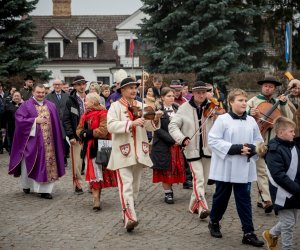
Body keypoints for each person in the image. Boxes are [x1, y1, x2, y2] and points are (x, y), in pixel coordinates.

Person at [207, 88, 264, 247]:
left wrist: (253, 149)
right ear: (231, 102)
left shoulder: (251, 121)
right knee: (221, 198)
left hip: (244, 168)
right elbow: (213, 140)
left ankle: (248, 232)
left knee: (244, 200)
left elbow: (259, 141)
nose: (244, 103)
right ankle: (214, 222)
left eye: (245, 100)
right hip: (226, 167)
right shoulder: (223, 119)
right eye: (240, 100)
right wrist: (236, 148)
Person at [107, 77, 162, 232]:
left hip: (139, 151)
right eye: (129, 88)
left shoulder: (142, 106)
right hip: (122, 151)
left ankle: (128, 211)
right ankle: (130, 217)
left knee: (135, 187)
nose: (133, 90)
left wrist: (156, 119)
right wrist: (130, 123)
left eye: (135, 87)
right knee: (126, 186)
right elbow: (110, 126)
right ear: (122, 90)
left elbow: (150, 127)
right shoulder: (115, 107)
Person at [8, 84, 65, 199]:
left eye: (43, 92)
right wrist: (34, 121)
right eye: (38, 92)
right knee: (29, 164)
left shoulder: (51, 106)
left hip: (49, 143)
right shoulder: (26, 105)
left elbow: (56, 124)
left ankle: (44, 190)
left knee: (47, 164)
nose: (41, 95)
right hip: (32, 142)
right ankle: (27, 185)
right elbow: (19, 120)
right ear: (33, 92)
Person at [169, 81, 214, 219]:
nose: (201, 95)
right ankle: (202, 207)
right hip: (191, 149)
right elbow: (173, 126)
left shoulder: (213, 107)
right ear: (192, 93)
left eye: (203, 92)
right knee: (198, 178)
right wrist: (181, 138)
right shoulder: (184, 108)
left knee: (203, 181)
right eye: (198, 92)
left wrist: (218, 117)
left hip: (208, 150)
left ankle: (192, 206)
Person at [247, 77, 293, 213]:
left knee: (271, 171)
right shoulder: (253, 101)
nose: (268, 88)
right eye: (266, 86)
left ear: (274, 89)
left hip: (273, 141)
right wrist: (250, 113)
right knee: (261, 170)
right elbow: (241, 113)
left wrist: (283, 105)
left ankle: (262, 199)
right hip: (258, 140)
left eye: (271, 87)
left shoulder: (278, 102)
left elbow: (288, 118)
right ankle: (267, 200)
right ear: (262, 87)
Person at [256, 117, 300, 250]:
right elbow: (279, 176)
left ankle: (271, 234)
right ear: (281, 133)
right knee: (288, 224)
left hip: (295, 190)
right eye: (291, 131)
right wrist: (297, 188)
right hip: (283, 191)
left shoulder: (293, 145)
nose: (294, 133)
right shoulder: (274, 150)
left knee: (291, 221)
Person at [76, 93, 117, 211]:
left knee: (99, 172)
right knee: (93, 172)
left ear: (93, 102)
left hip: (100, 146)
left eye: (86, 101)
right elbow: (78, 129)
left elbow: (104, 130)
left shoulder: (103, 113)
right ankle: (96, 199)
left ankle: (97, 198)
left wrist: (88, 133)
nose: (85, 103)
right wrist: (82, 133)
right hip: (87, 148)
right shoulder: (84, 115)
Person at [151, 87, 185, 204]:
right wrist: (172, 140)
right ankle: (168, 193)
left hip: (177, 144)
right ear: (162, 98)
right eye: (168, 96)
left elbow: (183, 125)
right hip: (163, 144)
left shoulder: (178, 108)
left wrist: (180, 138)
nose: (171, 98)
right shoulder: (157, 110)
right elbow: (156, 128)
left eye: (172, 96)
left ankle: (171, 189)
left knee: (173, 169)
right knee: (165, 170)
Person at [63, 75, 88, 194]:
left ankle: (93, 183)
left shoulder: (90, 98)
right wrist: (71, 135)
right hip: (76, 135)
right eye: (79, 84)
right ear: (75, 86)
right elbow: (66, 120)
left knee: (91, 161)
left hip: (90, 134)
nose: (81, 86)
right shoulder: (70, 100)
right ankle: (78, 184)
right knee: (77, 161)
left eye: (83, 84)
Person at [46, 79, 69, 167]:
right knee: (56, 141)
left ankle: (64, 157)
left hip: (65, 122)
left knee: (65, 141)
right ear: (53, 85)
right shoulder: (48, 96)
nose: (57, 86)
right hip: (54, 122)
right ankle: (59, 159)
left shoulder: (67, 95)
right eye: (55, 85)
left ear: (62, 85)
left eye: (59, 84)